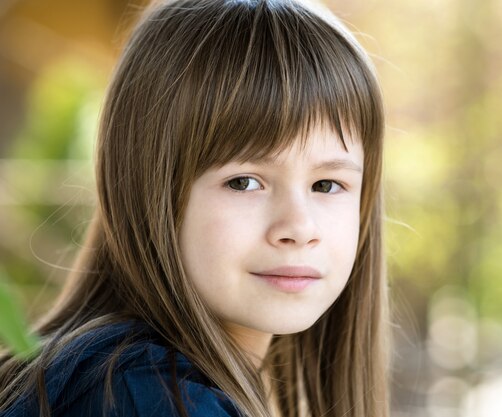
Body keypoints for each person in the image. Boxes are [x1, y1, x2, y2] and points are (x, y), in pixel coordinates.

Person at [0, 0, 390, 416]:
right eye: (244, 182)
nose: (299, 226)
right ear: (149, 189)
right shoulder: (148, 396)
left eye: (327, 184)